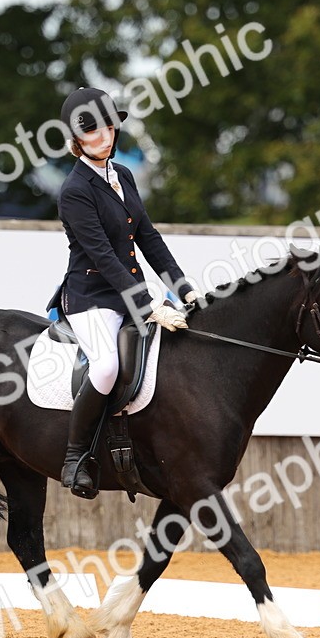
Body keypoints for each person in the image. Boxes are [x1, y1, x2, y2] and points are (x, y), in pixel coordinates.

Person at [46, 87, 200, 497]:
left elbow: (148, 238)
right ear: (76, 139)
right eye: (93, 131)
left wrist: (183, 289)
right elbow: (104, 257)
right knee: (106, 367)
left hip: (127, 292)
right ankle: (75, 458)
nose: (105, 137)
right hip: (91, 298)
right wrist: (149, 304)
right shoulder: (74, 191)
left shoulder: (123, 176)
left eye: (109, 127)